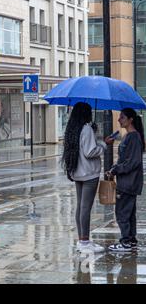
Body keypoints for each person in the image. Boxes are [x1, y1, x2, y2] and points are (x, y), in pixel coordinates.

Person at [62, 102, 107, 253]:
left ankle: (82, 240)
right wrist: (104, 146)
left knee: (81, 206)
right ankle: (85, 242)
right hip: (89, 174)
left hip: (77, 172)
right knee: (86, 207)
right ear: (85, 113)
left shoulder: (73, 128)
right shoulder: (86, 128)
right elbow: (90, 151)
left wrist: (94, 135)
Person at [106, 108, 144, 252]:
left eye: (122, 117)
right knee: (128, 212)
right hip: (127, 181)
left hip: (128, 182)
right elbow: (126, 159)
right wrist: (114, 168)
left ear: (130, 120)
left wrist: (116, 169)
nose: (119, 120)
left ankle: (126, 241)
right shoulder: (129, 136)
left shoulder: (133, 137)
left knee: (122, 212)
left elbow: (133, 162)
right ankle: (131, 240)